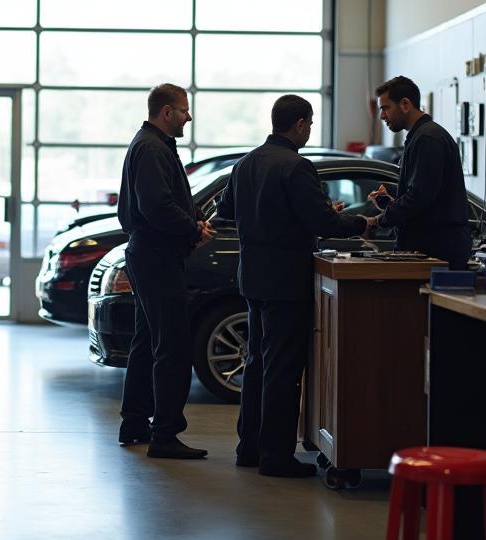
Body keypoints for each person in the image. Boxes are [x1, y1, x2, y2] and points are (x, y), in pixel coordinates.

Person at [217, 95, 371, 477]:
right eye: (310, 123)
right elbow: (322, 222)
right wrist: (360, 223)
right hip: (286, 280)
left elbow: (225, 211)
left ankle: (249, 448)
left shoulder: (246, 163)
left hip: (253, 279)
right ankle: (276, 457)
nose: (310, 130)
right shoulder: (297, 166)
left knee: (256, 364)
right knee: (283, 370)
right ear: (299, 124)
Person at [117, 83, 216, 460]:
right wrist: (192, 229)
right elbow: (156, 206)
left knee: (147, 341)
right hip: (156, 256)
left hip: (150, 253)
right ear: (166, 112)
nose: (188, 117)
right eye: (184, 110)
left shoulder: (152, 146)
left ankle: (135, 423)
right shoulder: (152, 148)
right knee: (172, 345)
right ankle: (165, 434)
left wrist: (194, 221)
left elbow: (164, 202)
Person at [370, 75, 472, 267]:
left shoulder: (427, 139)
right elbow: (425, 196)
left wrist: (379, 220)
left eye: (385, 108)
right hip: (430, 248)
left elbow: (419, 197)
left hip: (435, 250)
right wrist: (393, 204)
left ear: (405, 104)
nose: (382, 116)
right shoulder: (422, 136)